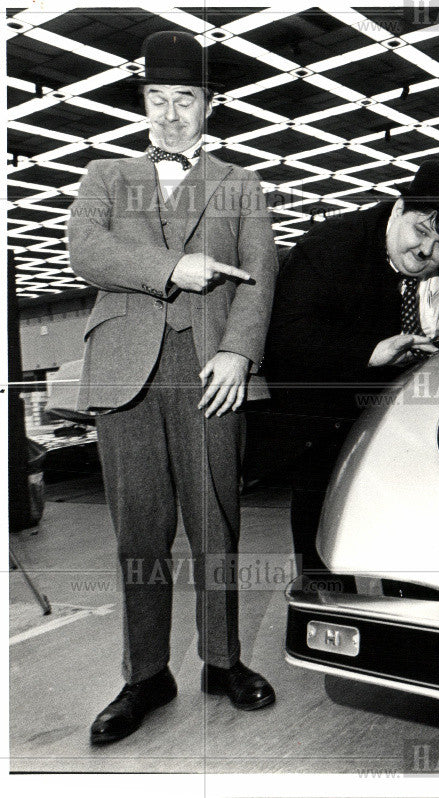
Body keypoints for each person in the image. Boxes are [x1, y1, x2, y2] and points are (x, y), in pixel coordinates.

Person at [68, 30, 278, 745]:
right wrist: (174, 268)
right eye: (157, 100)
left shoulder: (241, 183)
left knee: (215, 522)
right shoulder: (104, 174)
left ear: (208, 103)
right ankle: (145, 675)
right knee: (139, 533)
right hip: (125, 371)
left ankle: (222, 661)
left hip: (209, 372)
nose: (169, 115)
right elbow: (86, 253)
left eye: (183, 100)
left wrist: (238, 353)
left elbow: (261, 273)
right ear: (145, 104)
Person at [265, 159, 439, 581]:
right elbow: (285, 341)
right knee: (326, 554)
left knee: (422, 545)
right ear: (396, 211)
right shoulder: (329, 248)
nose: (425, 251)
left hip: (425, 426)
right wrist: (368, 354)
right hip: (334, 423)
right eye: (419, 232)